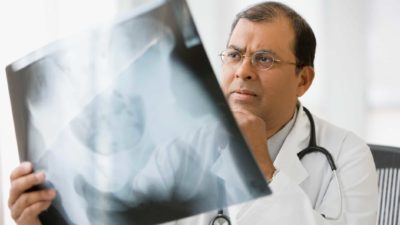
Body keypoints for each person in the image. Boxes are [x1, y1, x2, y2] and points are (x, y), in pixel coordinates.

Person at [8, 1, 378, 225]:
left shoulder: (347, 155)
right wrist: (42, 218)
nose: (243, 71)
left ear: (303, 79)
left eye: (263, 59)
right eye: (234, 55)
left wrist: (263, 170)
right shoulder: (184, 146)